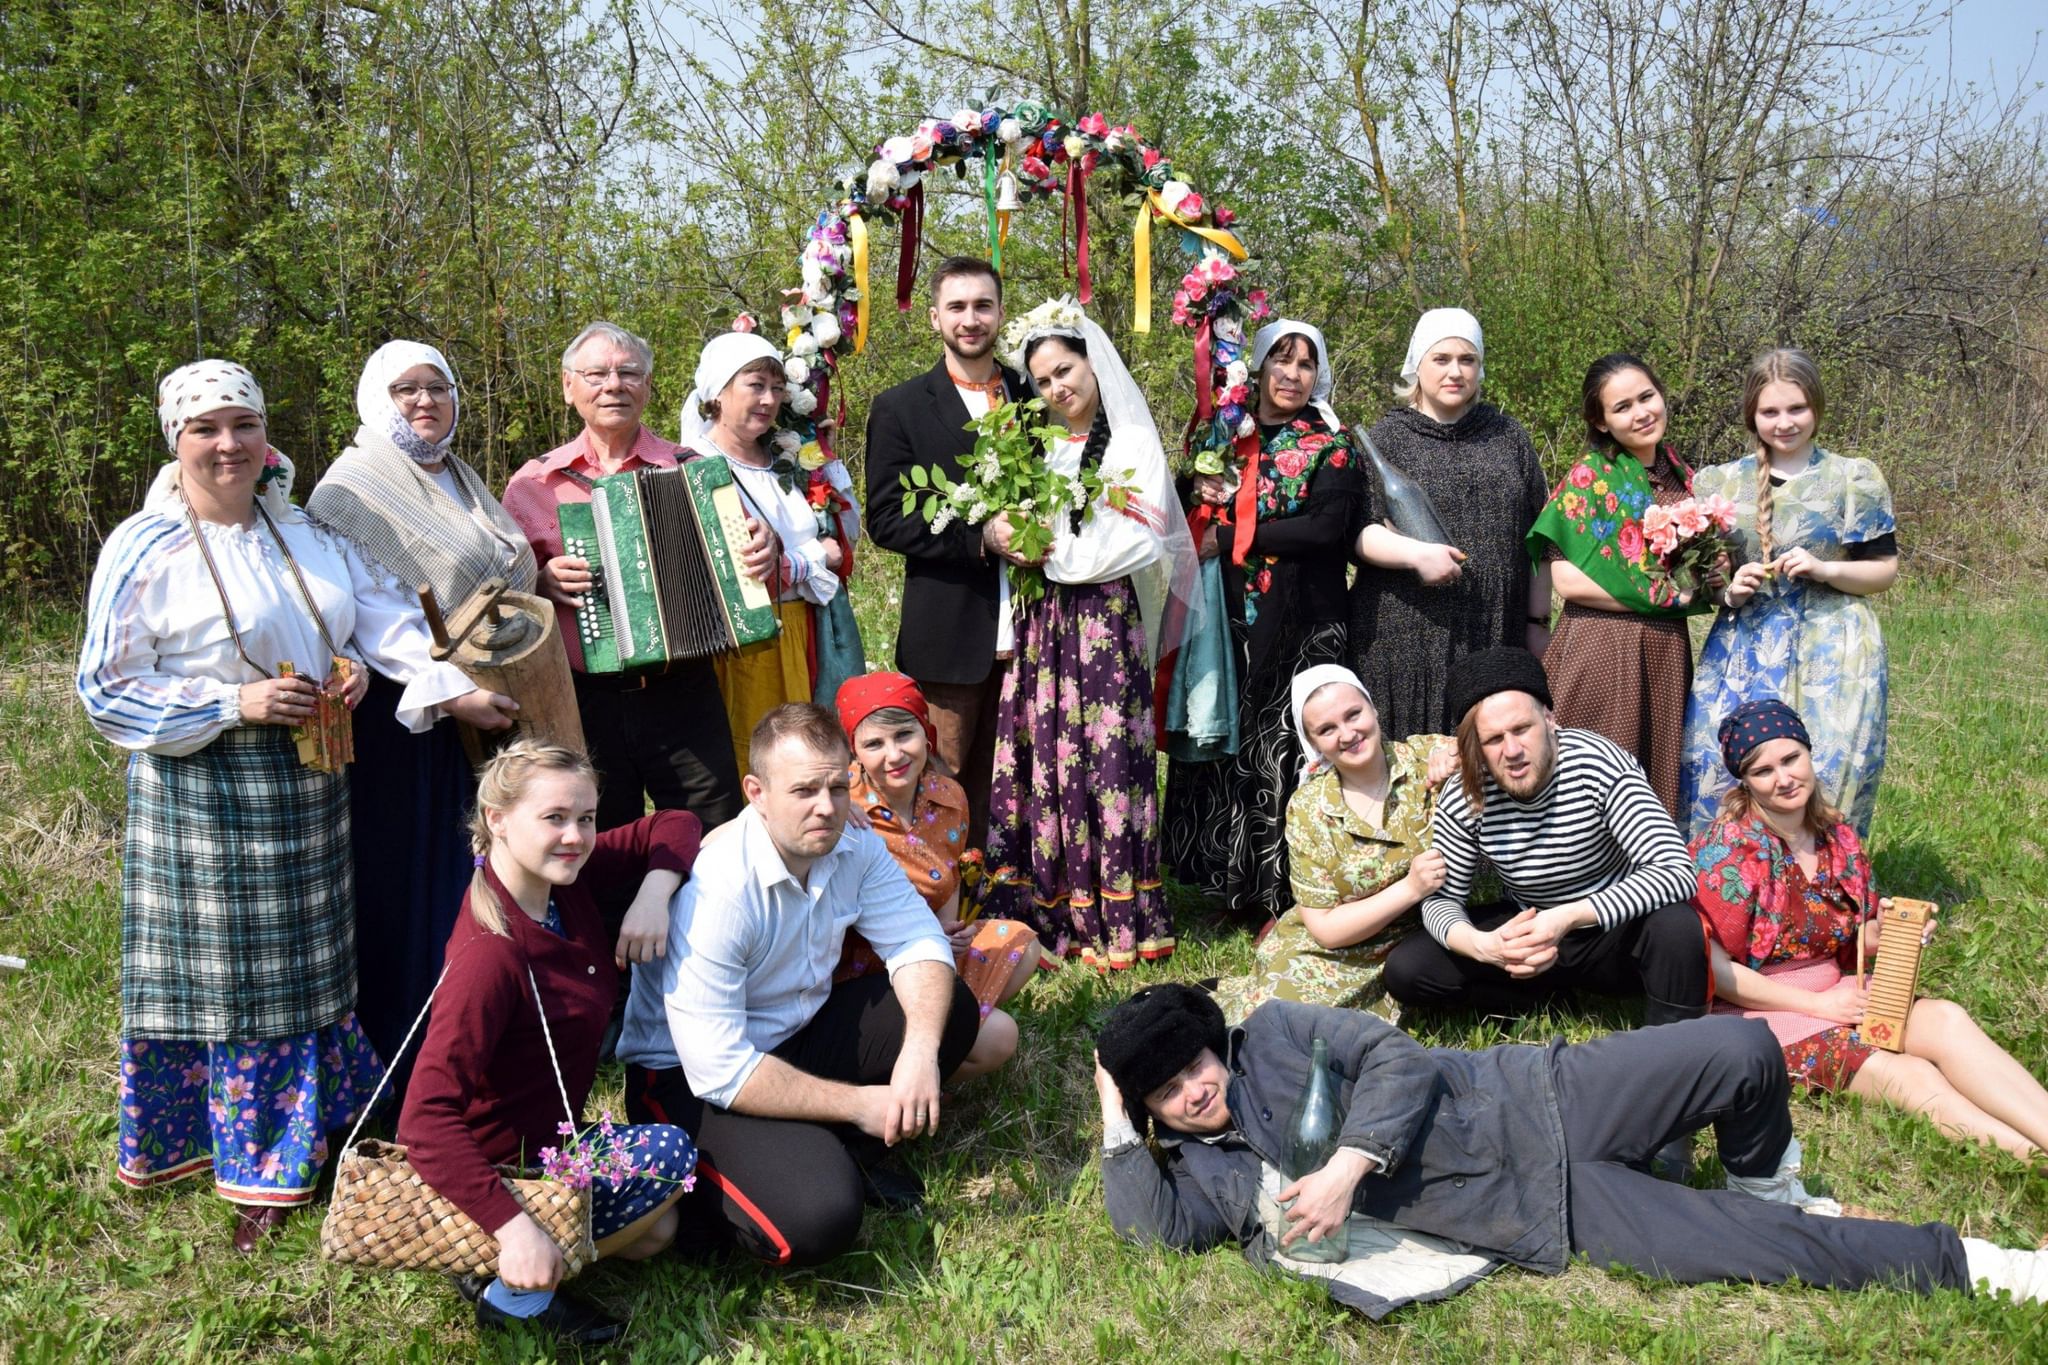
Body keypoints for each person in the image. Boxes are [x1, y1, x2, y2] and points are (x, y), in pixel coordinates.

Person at [76, 360, 481, 1251]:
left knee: (312, 972)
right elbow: (105, 690)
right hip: (207, 787)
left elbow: (354, 625)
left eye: (243, 426)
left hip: (311, 775)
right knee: (239, 986)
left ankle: (315, 1128)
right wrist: (230, 705)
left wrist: (352, 673)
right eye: (205, 430)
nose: (228, 445)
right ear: (174, 442)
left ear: (267, 437)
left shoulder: (297, 529)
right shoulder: (145, 547)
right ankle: (251, 1162)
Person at [1092, 984, 2048, 1314]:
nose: (1196, 1090)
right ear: (1156, 1114)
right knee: (1768, 1254)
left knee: (1748, 1047)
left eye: (1194, 1066)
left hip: (1543, 1090)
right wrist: (1113, 1104)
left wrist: (1347, 1167)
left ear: (1215, 1043)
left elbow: (1396, 1057)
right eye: (1168, 1093)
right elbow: (1149, 1236)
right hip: (1542, 1209)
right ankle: (1984, 1266)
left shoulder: (1276, 1031)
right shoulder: (1207, 1172)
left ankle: (1769, 1181)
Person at [617, 704, 984, 1267]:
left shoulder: (853, 842)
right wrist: (858, 1103)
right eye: (804, 790)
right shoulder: (720, 892)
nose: (827, 807)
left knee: (947, 1007)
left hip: (793, 1034)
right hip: (685, 1079)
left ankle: (841, 1147)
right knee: (821, 1217)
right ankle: (714, 1206)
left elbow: (918, 943)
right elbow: (720, 1070)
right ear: (756, 792)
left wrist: (917, 1053)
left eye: (839, 787)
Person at [397, 742, 702, 1345]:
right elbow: (423, 1121)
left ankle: (517, 1254)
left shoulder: (564, 885)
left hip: (547, 1150)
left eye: (586, 817)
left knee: (657, 1233)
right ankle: (505, 1285)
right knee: (667, 1155)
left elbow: (677, 822)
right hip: (496, 1175)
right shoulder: (491, 956)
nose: (576, 836)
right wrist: (512, 1227)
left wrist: (651, 892)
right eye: (555, 818)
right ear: (497, 820)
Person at [305, 339, 530, 1077]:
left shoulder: (456, 479)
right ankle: (402, 1070)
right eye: (406, 388)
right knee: (409, 892)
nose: (425, 400)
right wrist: (454, 693)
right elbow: (376, 617)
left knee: (468, 886)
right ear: (377, 397)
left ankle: (468, 1053)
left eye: (439, 387)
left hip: (472, 713)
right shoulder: (356, 488)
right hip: (403, 722)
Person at [1692, 699, 2048, 1159]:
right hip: (1759, 1017)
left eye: (1790, 758)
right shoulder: (1726, 851)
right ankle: (2035, 1162)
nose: (1783, 778)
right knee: (1909, 1075)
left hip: (1843, 990)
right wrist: (1820, 1004)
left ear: (1808, 752)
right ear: (1746, 782)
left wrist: (1892, 935)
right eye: (1763, 770)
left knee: (1945, 1020)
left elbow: (1850, 937)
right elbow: (1715, 970)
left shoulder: (1837, 837)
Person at [982, 299, 1199, 969]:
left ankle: (1114, 910)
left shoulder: (1132, 442)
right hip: (1043, 622)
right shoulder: (1034, 448)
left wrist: (1057, 557)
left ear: (1092, 361)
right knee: (1045, 754)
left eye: (1065, 370)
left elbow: (1142, 540)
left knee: (1105, 757)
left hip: (1104, 619)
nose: (1057, 388)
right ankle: (1051, 906)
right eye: (1043, 380)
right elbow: (1012, 540)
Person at [500, 321, 772, 833]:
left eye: (628, 373)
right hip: (583, 698)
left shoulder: (692, 468)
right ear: (568, 385)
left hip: (683, 690)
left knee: (712, 833)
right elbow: (502, 601)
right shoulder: (533, 482)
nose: (613, 385)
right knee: (598, 841)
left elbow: (747, 560)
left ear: (648, 385)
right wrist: (539, 583)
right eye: (597, 374)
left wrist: (763, 550)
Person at [1382, 647, 1708, 1034]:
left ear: (1549, 719)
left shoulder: (1599, 763)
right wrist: (1485, 947)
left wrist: (1567, 916)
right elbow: (1442, 901)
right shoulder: (1467, 793)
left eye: (1522, 729)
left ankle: (1678, 1043)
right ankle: (1542, 998)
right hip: (1531, 930)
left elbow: (1675, 871)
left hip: (1607, 930)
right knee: (1408, 970)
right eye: (1494, 739)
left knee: (1676, 926)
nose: (1512, 751)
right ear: (1476, 747)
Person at [1163, 320, 1366, 929]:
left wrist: (1229, 538)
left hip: (1301, 623)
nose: (1292, 374)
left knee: (1285, 754)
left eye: (1306, 364)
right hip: (1225, 619)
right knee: (1227, 745)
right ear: (1257, 366)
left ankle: (1282, 891)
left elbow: (1326, 529)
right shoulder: (1223, 433)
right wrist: (1192, 491)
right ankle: (1223, 886)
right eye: (1281, 359)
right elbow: (1182, 505)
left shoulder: (1331, 445)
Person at [1679, 348, 1898, 837]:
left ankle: (1828, 894)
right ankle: (1729, 891)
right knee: (1719, 767)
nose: (1784, 423)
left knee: (1827, 770)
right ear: (1751, 415)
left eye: (1796, 408)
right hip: (1743, 648)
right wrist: (1730, 590)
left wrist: (1824, 569)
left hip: (1835, 647)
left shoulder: (1852, 478)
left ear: (1815, 407)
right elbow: (1704, 583)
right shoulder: (1719, 482)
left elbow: (1883, 571)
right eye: (1770, 412)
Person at [863, 257, 1031, 845]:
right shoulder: (901, 406)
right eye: (957, 307)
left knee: (1028, 776)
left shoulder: (1037, 393)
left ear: (1001, 313)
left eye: (983, 305)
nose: (971, 319)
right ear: (935, 316)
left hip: (1042, 626)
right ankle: (941, 906)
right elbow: (885, 519)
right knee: (945, 779)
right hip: (953, 628)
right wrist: (980, 538)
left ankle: (1020, 893)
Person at [1348, 308, 1552, 739]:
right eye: (1441, 359)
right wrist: (1415, 555)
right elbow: (1360, 533)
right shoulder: (1387, 439)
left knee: (1490, 756)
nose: (1455, 372)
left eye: (1467, 360)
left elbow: (1539, 541)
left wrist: (1537, 624)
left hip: (1494, 627)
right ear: (1416, 365)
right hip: (1404, 634)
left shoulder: (1508, 437)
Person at [1211, 665, 1451, 1024]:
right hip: (1335, 947)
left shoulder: (1423, 757)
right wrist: (1411, 888)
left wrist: (1459, 759)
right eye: (1327, 729)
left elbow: (1496, 741)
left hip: (1418, 940)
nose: (1347, 733)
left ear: (1372, 708)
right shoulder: (1309, 808)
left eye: (1353, 714)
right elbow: (1326, 929)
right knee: (1276, 1020)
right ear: (1313, 742)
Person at [832, 671, 1042, 1079]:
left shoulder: (949, 796)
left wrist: (948, 930)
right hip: (865, 972)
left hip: (929, 950)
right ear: (853, 751)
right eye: (874, 743)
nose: (894, 755)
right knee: (999, 1035)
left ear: (926, 734)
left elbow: (947, 875)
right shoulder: (843, 809)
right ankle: (898, 1076)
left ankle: (940, 1039)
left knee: (1022, 944)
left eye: (903, 735)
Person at [1530, 354, 1712, 815]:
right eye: (1623, 406)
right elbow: (1566, 579)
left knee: (1651, 776)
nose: (1642, 412)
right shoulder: (1590, 478)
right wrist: (1658, 598)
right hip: (1601, 644)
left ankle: (1649, 880)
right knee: (1589, 776)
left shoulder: (1684, 476)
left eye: (1647, 397)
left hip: (1664, 648)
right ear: (1602, 421)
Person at [679, 330, 845, 773]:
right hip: (746, 644)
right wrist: (814, 559)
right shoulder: (694, 466)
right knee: (760, 760)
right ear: (717, 393)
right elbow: (735, 569)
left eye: (777, 388)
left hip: (804, 629)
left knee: (811, 758)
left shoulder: (782, 458)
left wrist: (827, 459)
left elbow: (847, 541)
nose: (769, 399)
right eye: (755, 385)